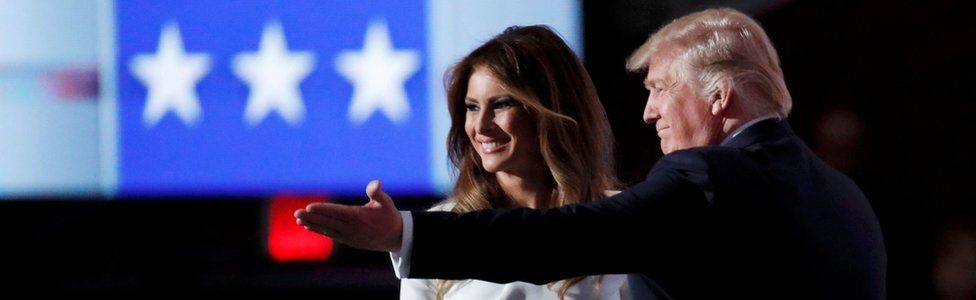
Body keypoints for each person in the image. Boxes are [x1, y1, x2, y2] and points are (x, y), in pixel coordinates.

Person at [296, 8, 886, 299]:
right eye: (471, 109)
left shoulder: (701, 177)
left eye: (658, 90)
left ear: (719, 95)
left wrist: (406, 235)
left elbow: (568, 236)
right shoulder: (846, 198)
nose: (649, 112)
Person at [411, 25, 631, 299]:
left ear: (553, 108)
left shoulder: (621, 221)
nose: (480, 126)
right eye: (472, 107)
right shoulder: (435, 231)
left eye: (502, 104)